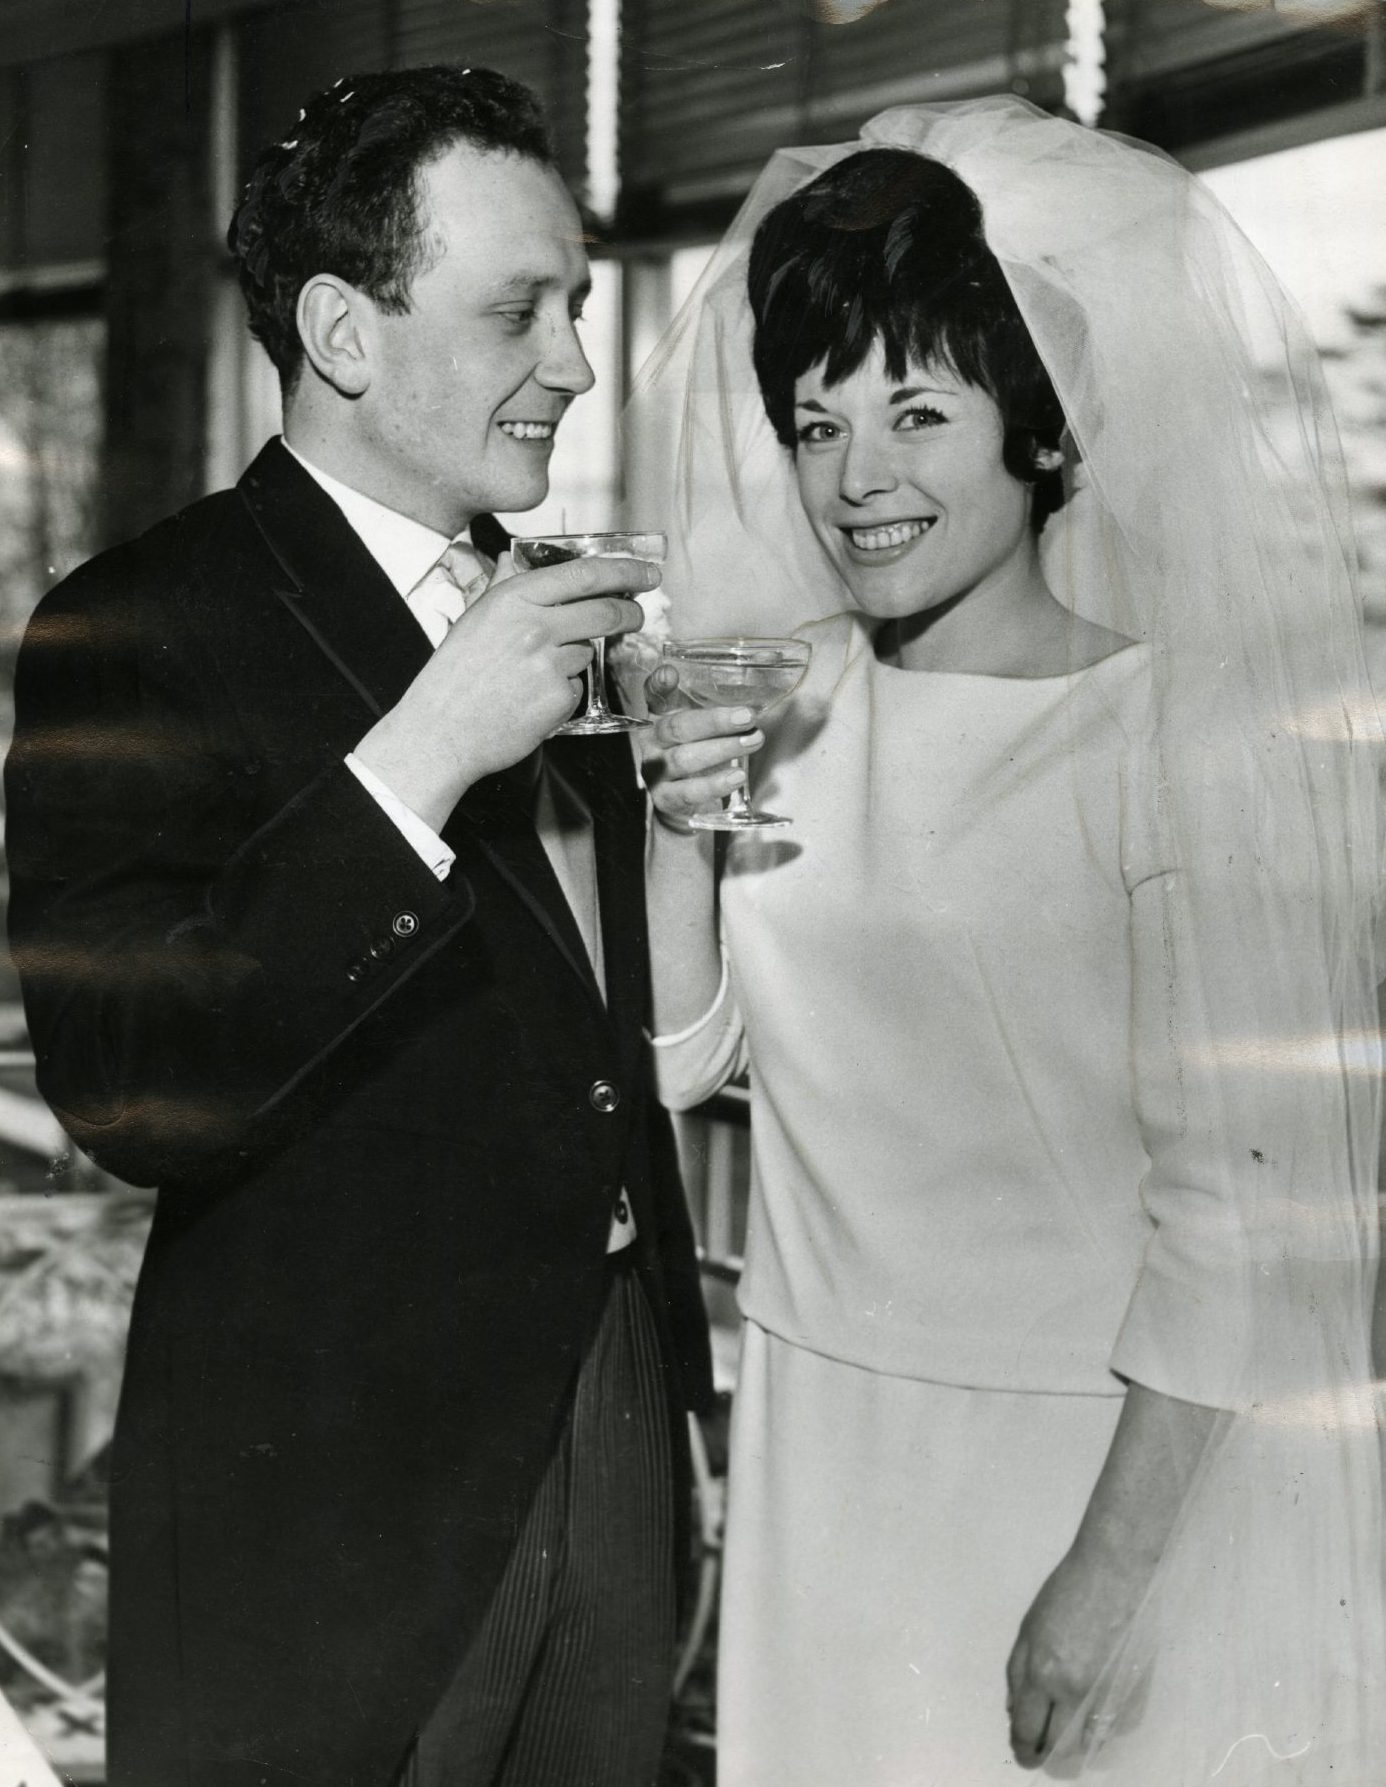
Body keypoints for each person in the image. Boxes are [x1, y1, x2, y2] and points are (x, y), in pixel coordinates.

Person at [633, 98, 1386, 1783]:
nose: (857, 480)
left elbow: (1236, 1210)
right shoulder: (782, 696)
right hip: (827, 1449)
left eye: (917, 411)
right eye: (815, 423)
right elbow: (688, 1066)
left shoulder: (1166, 734)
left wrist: (1101, 1585)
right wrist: (669, 839)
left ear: (1040, 434)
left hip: (1087, 1475)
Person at [4, 63, 711, 1787]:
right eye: (517, 311)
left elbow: (634, 1066)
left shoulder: (558, 612)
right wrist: (412, 766)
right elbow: (125, 1089)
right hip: (325, 1483)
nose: (573, 360)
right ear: (342, 329)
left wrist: (687, 823)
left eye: (574, 303)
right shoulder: (134, 626)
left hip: (610, 1413)